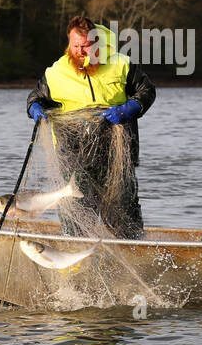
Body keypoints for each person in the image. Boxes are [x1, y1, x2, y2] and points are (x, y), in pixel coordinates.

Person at [25, 16, 156, 239]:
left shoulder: (121, 64)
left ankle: (133, 250)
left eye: (86, 46)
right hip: (73, 156)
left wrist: (128, 109)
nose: (80, 51)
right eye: (75, 46)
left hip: (116, 156)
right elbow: (35, 98)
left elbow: (146, 91)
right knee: (75, 210)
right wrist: (35, 108)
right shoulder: (56, 73)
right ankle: (76, 257)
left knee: (122, 208)